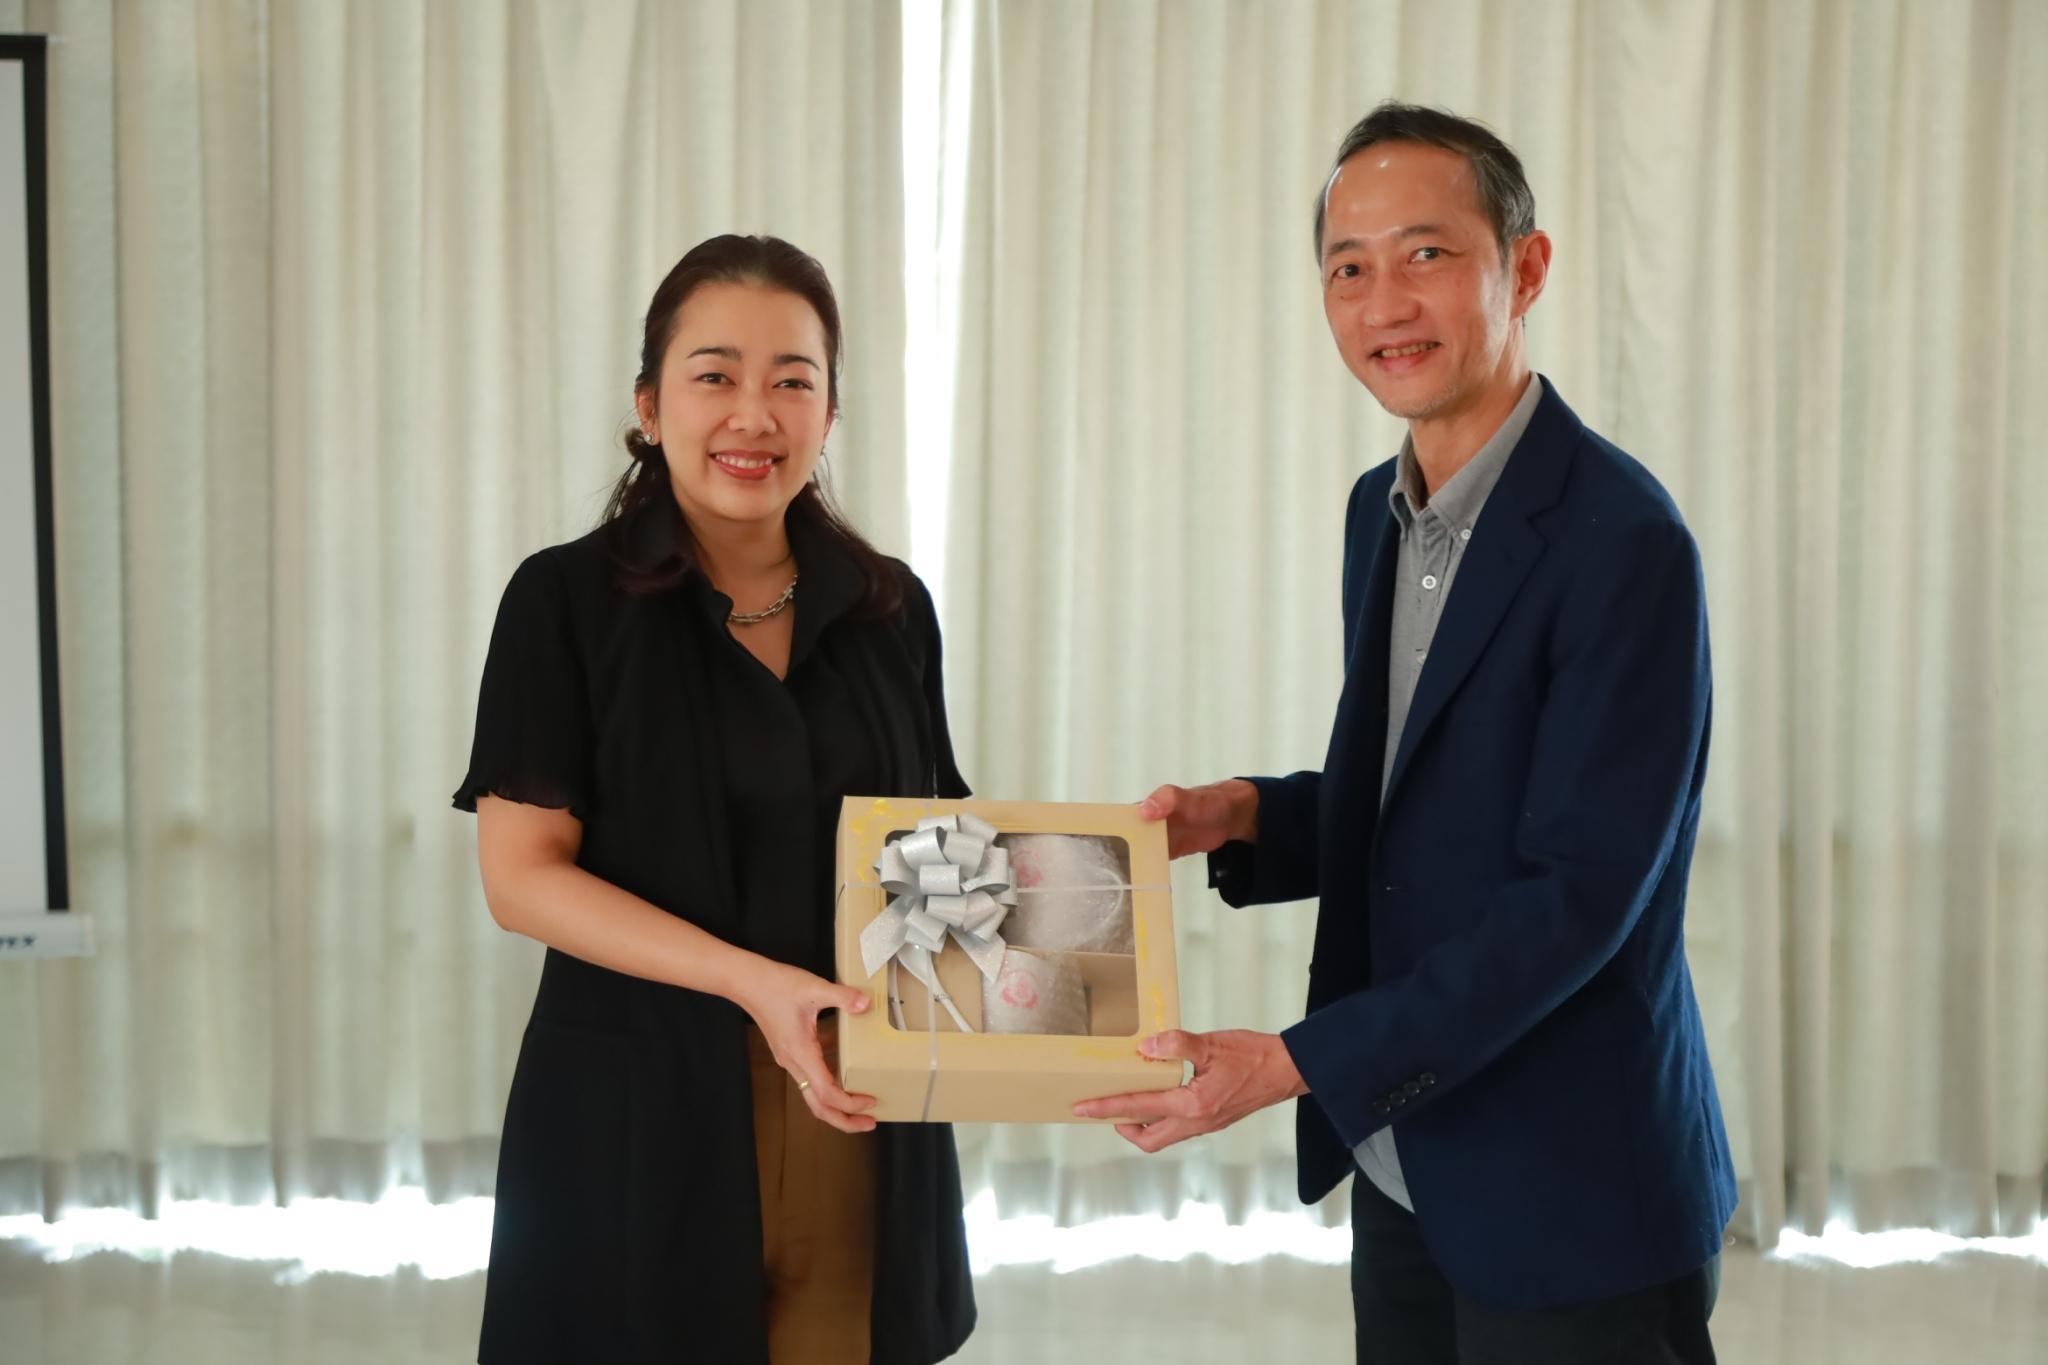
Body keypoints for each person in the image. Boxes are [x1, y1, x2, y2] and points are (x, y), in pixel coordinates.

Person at [1077, 103, 1736, 1363]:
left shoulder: (1623, 542)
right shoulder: (1376, 513)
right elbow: (1431, 795)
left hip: (1568, 1189)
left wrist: (1291, 1063)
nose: (1383, 303)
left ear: (1524, 269)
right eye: (1347, 268)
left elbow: (1577, 895)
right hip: (1404, 1155)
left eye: (1425, 255)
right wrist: (1246, 818)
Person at [455, 234, 975, 1365]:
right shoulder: (562, 603)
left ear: (830, 411)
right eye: (714, 375)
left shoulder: (891, 610)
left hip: (854, 1104)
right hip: (637, 1116)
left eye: (792, 380)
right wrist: (750, 981)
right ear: (649, 405)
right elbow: (521, 878)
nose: (754, 414)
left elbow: (932, 857)